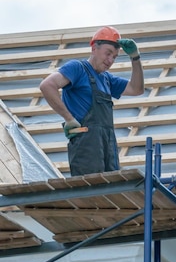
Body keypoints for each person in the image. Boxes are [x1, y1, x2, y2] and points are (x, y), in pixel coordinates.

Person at [39, 26, 144, 176]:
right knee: (92, 191)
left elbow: (136, 89)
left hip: (108, 146)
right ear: (94, 48)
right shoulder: (78, 68)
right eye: (108, 53)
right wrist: (68, 119)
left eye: (114, 57)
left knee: (111, 191)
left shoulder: (107, 79)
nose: (110, 60)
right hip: (87, 144)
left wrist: (135, 57)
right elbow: (47, 85)